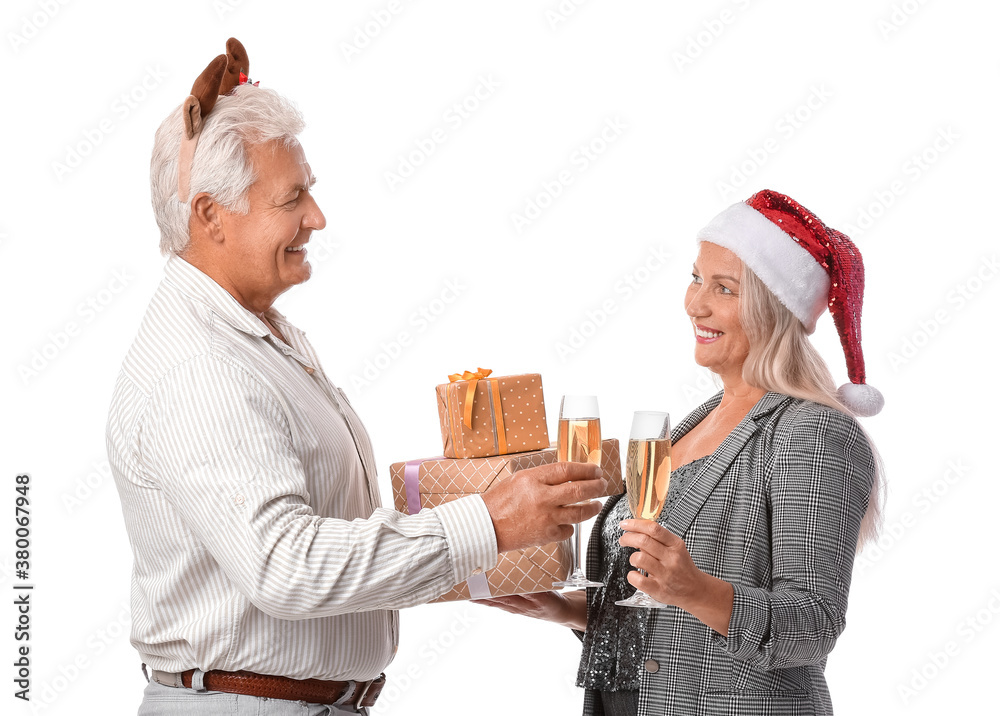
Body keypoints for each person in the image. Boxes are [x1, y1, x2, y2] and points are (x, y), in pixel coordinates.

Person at [106, 39, 605, 715]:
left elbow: (316, 543)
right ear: (210, 216)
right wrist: (485, 520)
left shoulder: (255, 337)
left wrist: (479, 553)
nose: (316, 217)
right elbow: (287, 567)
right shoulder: (202, 367)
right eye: (294, 198)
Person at [478, 189, 884, 716]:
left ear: (774, 306)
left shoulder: (811, 431)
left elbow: (813, 625)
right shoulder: (698, 419)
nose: (696, 304)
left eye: (725, 288)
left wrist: (695, 589)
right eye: (696, 278)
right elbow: (657, 608)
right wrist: (570, 610)